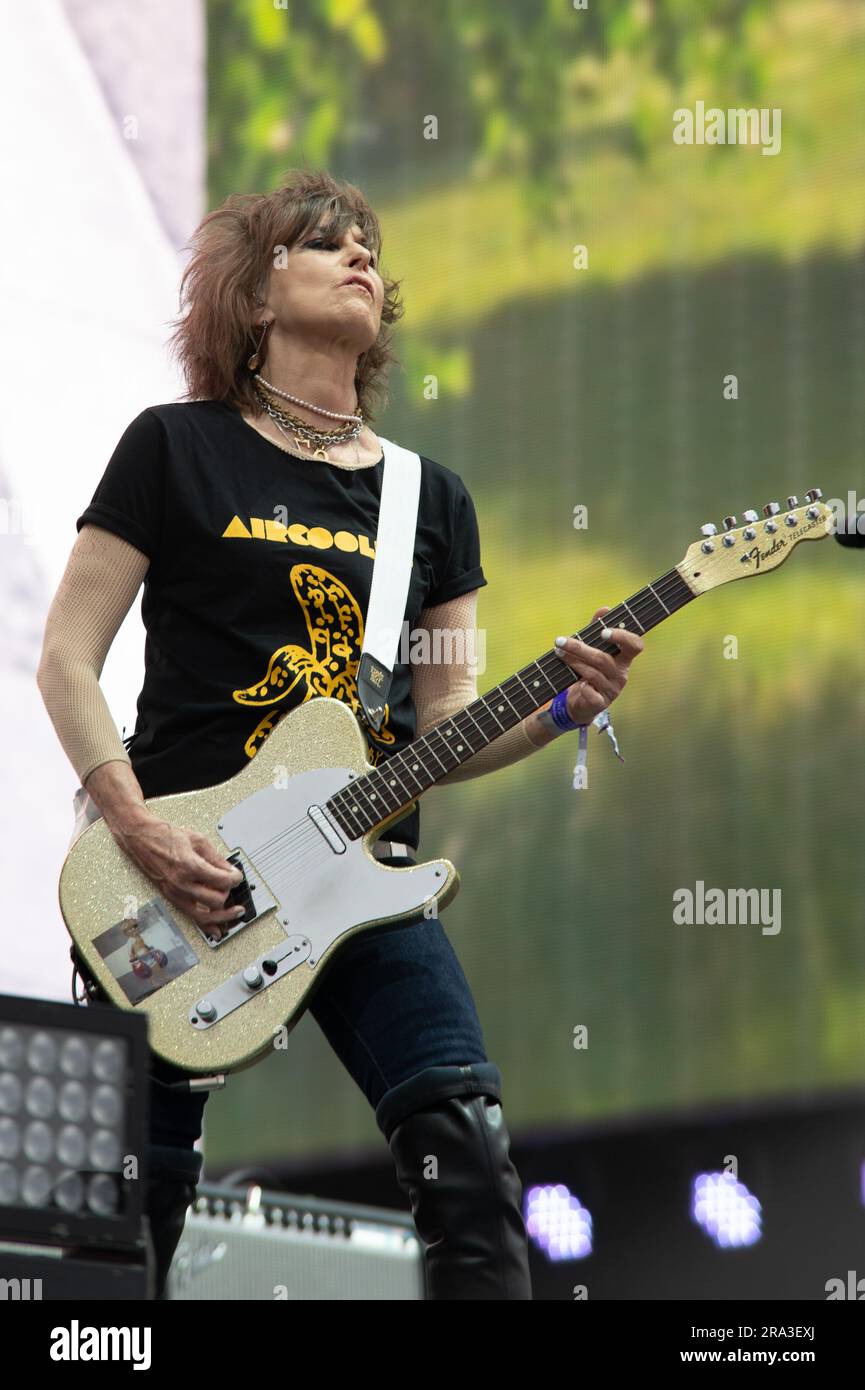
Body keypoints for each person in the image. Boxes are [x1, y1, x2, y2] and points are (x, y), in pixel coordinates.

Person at [36, 169, 644, 1300]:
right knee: (126, 1227)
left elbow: (444, 726)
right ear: (256, 300)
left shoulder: (430, 500)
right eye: (323, 242)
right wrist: (136, 826)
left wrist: (561, 702)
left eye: (368, 243)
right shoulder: (173, 447)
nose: (360, 254)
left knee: (467, 1163)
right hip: (174, 876)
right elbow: (65, 658)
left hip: (361, 872)